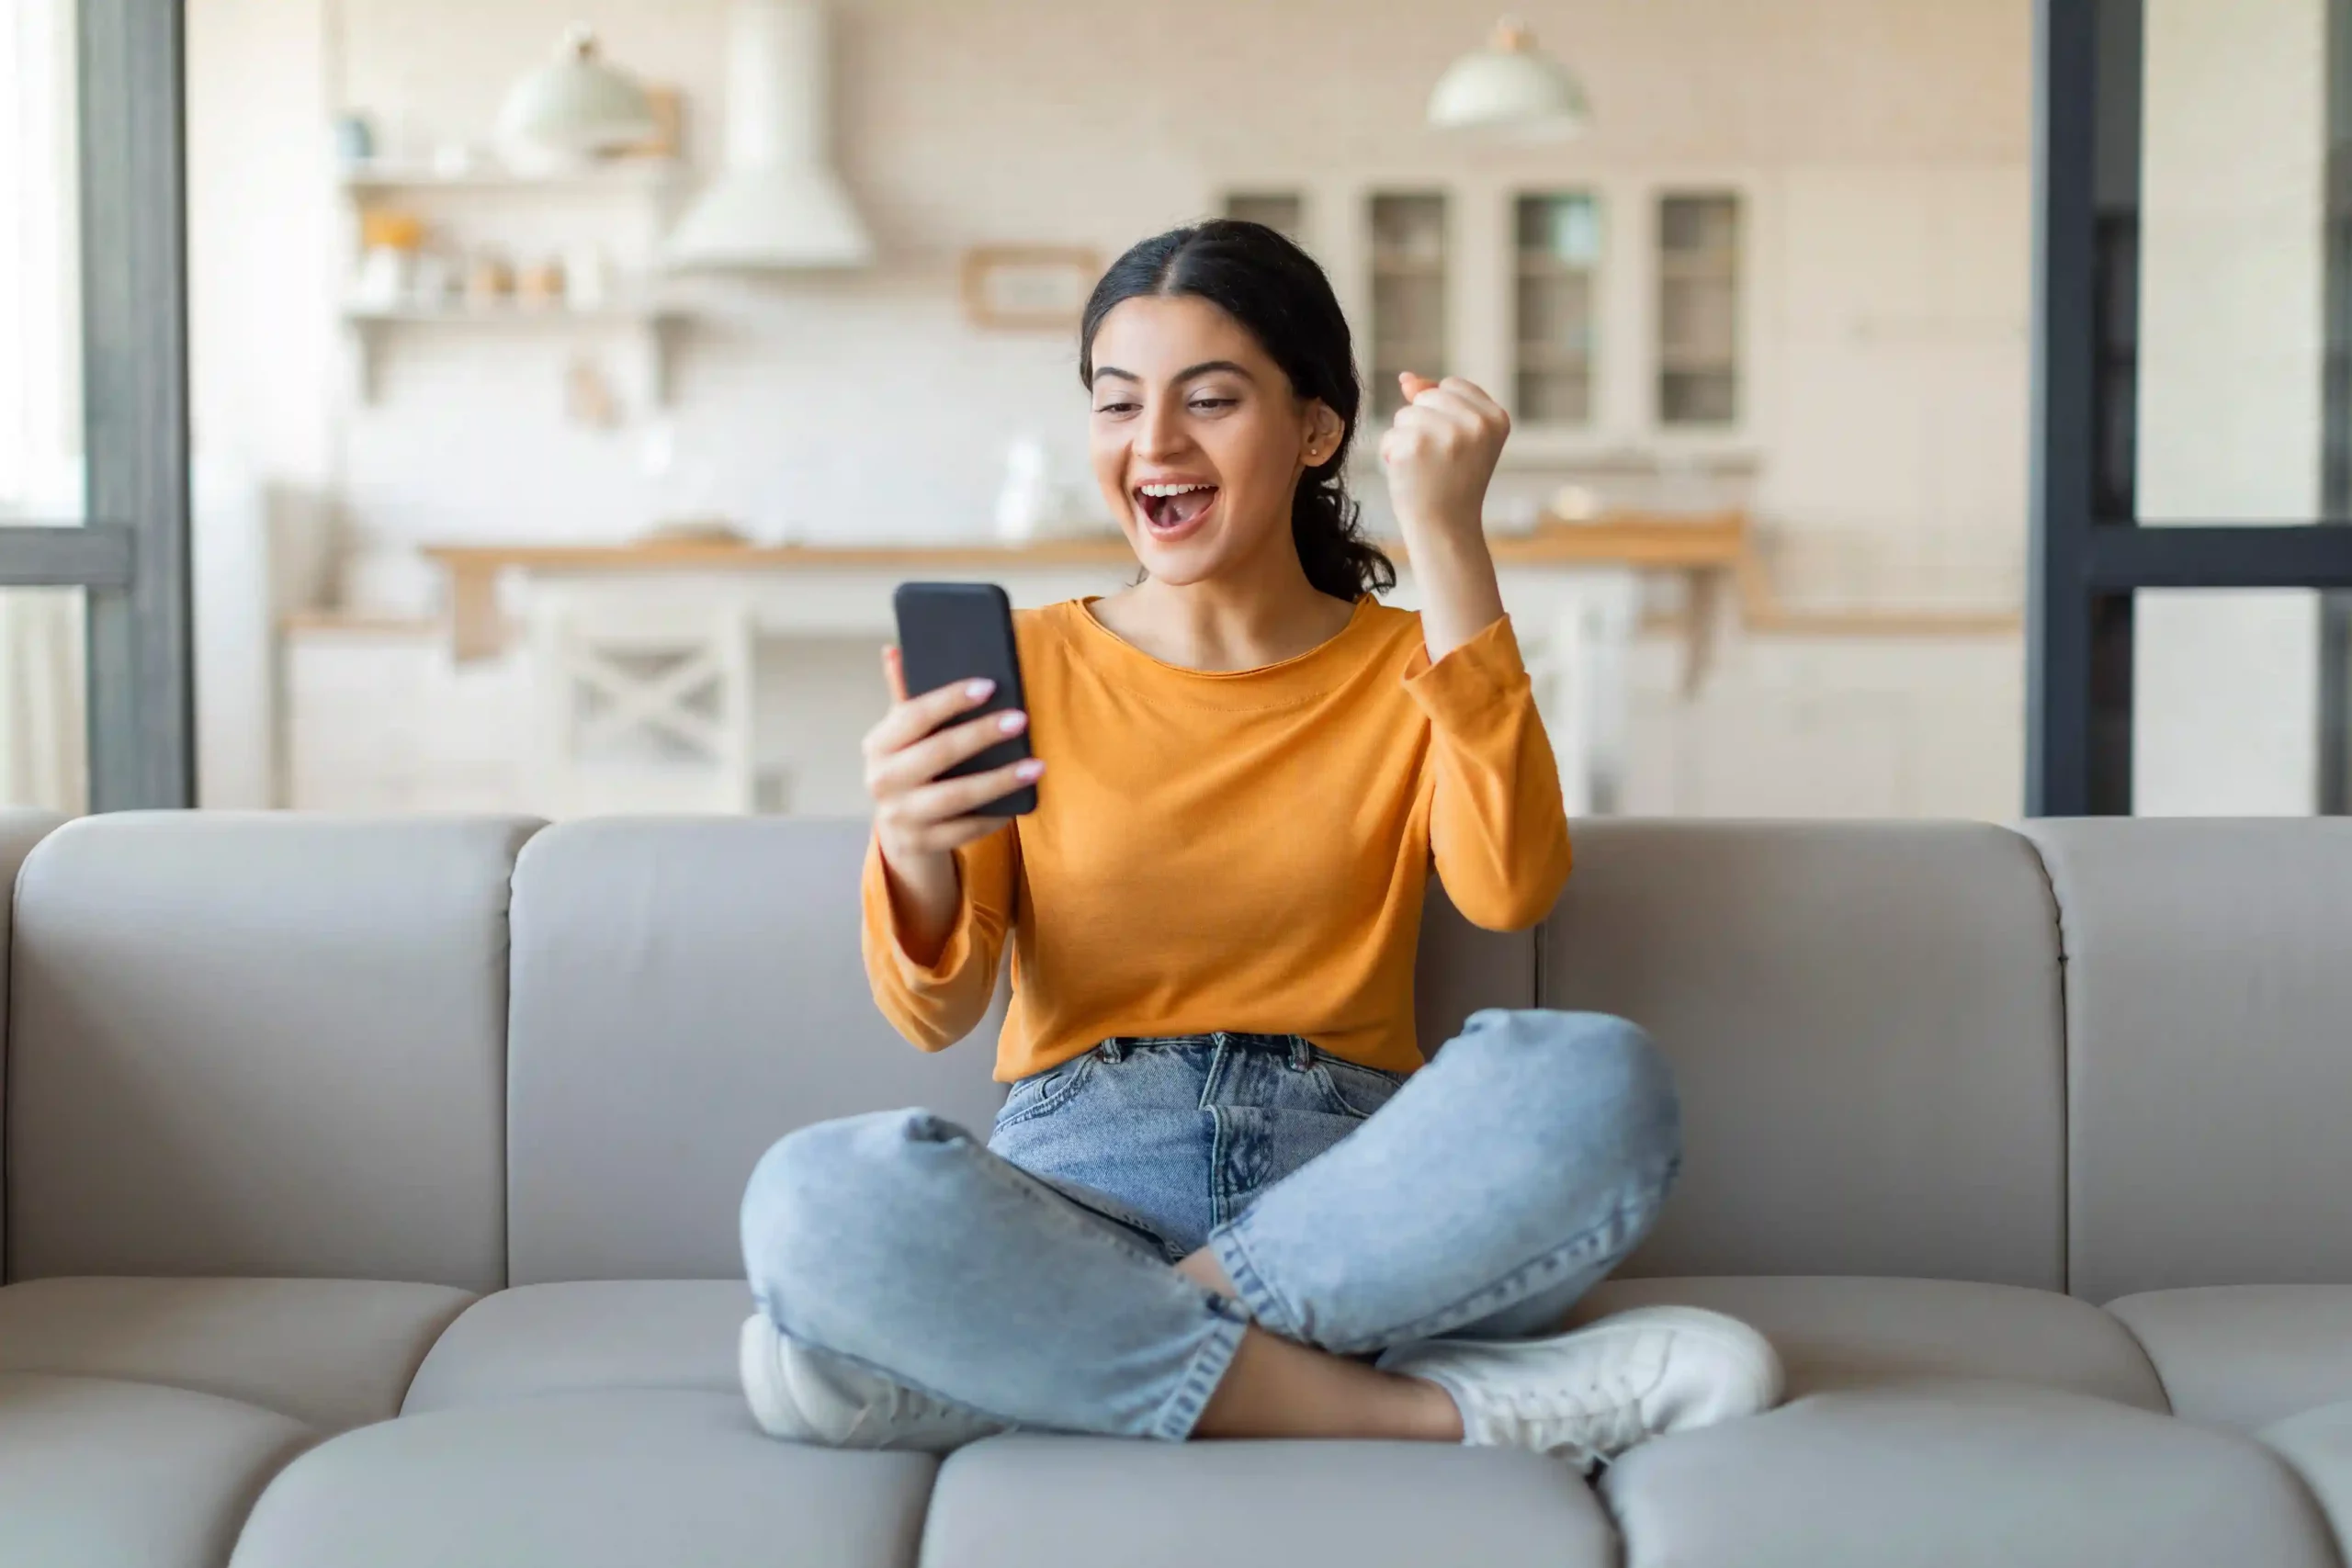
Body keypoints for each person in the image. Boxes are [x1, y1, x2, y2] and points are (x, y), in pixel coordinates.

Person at [737, 219, 1781, 1469]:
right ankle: (1415, 1404)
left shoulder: (1414, 659)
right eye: (1117, 404)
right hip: (1075, 1181)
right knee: (813, 1197)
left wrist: (1449, 535)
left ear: (1316, 429)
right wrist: (911, 843)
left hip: (1355, 1196)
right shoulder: (1026, 662)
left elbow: (1510, 888)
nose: (1154, 444)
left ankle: (1040, 1358)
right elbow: (933, 1012)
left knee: (1598, 1079)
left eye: (1211, 399)